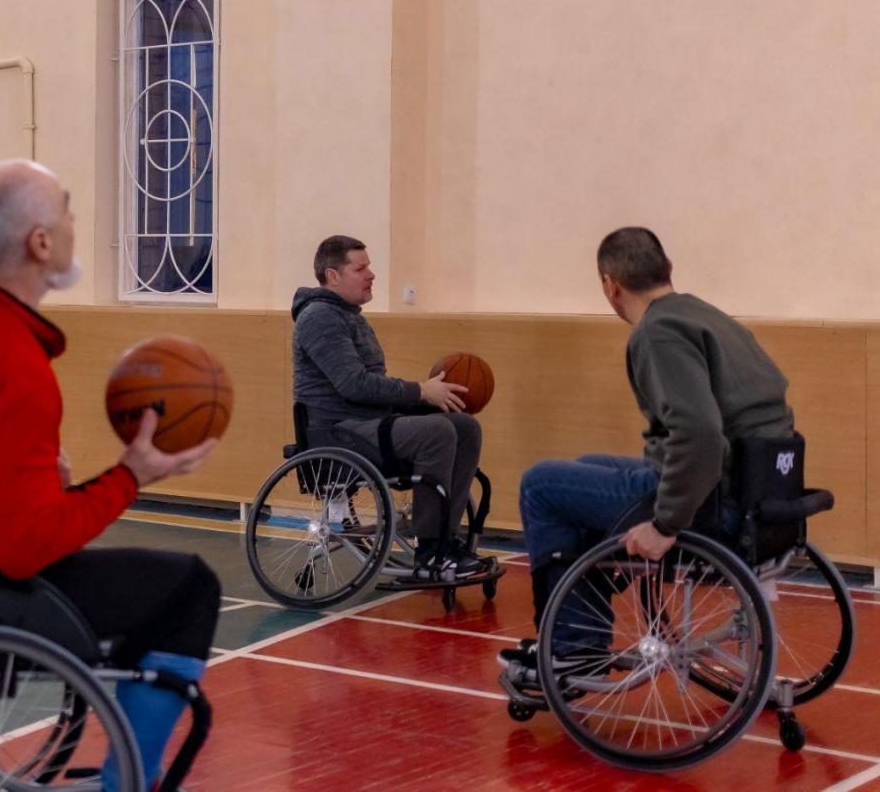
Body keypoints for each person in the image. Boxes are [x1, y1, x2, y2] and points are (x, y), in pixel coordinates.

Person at [0, 159, 219, 790]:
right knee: (190, 587)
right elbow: (22, 549)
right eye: (66, 208)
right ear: (40, 242)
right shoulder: (13, 360)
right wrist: (130, 476)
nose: (74, 220)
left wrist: (17, 471)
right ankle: (130, 779)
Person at [498, 226, 794, 672]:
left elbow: (702, 435)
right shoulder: (708, 316)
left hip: (715, 505)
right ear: (668, 268)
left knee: (540, 485)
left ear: (610, 285)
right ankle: (580, 629)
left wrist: (665, 524)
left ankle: (570, 649)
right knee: (586, 467)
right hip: (760, 494)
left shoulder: (658, 332)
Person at [292, 235, 493, 579]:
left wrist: (426, 396)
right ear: (333, 276)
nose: (371, 275)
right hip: (338, 433)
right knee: (437, 432)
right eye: (361, 269)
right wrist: (420, 391)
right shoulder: (319, 318)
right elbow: (354, 384)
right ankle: (430, 553)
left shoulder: (350, 316)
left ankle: (447, 540)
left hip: (367, 424)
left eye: (369, 267)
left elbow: (371, 385)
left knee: (464, 425)